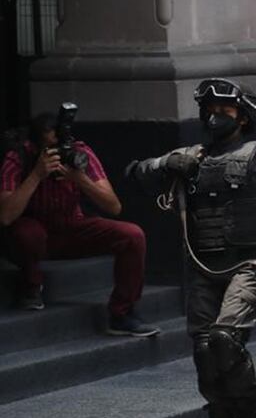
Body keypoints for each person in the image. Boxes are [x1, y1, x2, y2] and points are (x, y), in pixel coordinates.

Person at [127, 79, 256, 418]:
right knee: (205, 352)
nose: (214, 117)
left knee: (225, 339)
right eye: (208, 110)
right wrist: (165, 165)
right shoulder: (191, 158)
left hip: (249, 264)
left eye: (223, 111)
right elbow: (134, 174)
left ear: (242, 117)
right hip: (205, 268)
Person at [0, 112, 155, 335]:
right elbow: (6, 216)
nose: (57, 152)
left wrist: (79, 178)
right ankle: (31, 285)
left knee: (132, 235)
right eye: (50, 148)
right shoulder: (19, 156)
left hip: (70, 228)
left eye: (59, 145)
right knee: (29, 233)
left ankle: (122, 314)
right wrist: (36, 175)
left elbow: (113, 206)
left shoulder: (77, 152)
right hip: (31, 235)